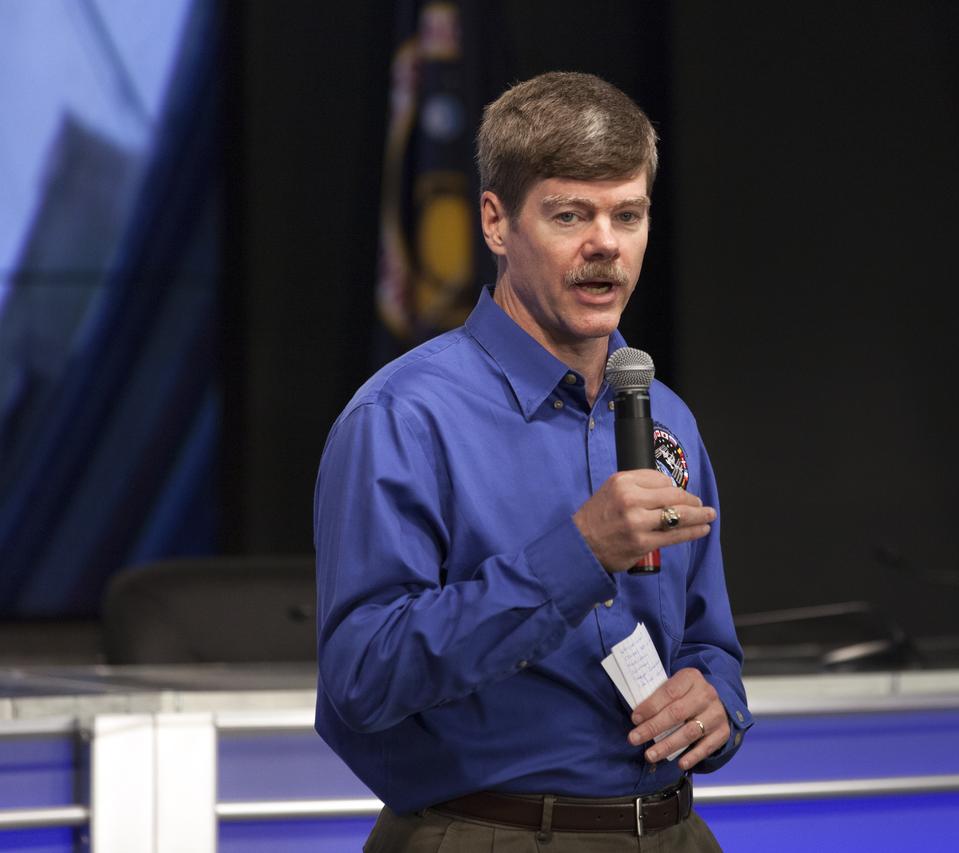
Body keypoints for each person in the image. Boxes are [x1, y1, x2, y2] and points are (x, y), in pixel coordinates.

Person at [314, 71, 751, 851]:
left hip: (675, 830)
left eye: (628, 214)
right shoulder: (405, 418)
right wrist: (578, 552)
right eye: (569, 214)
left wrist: (717, 701)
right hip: (491, 832)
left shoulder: (665, 417)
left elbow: (708, 640)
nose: (605, 245)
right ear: (494, 221)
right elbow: (364, 676)